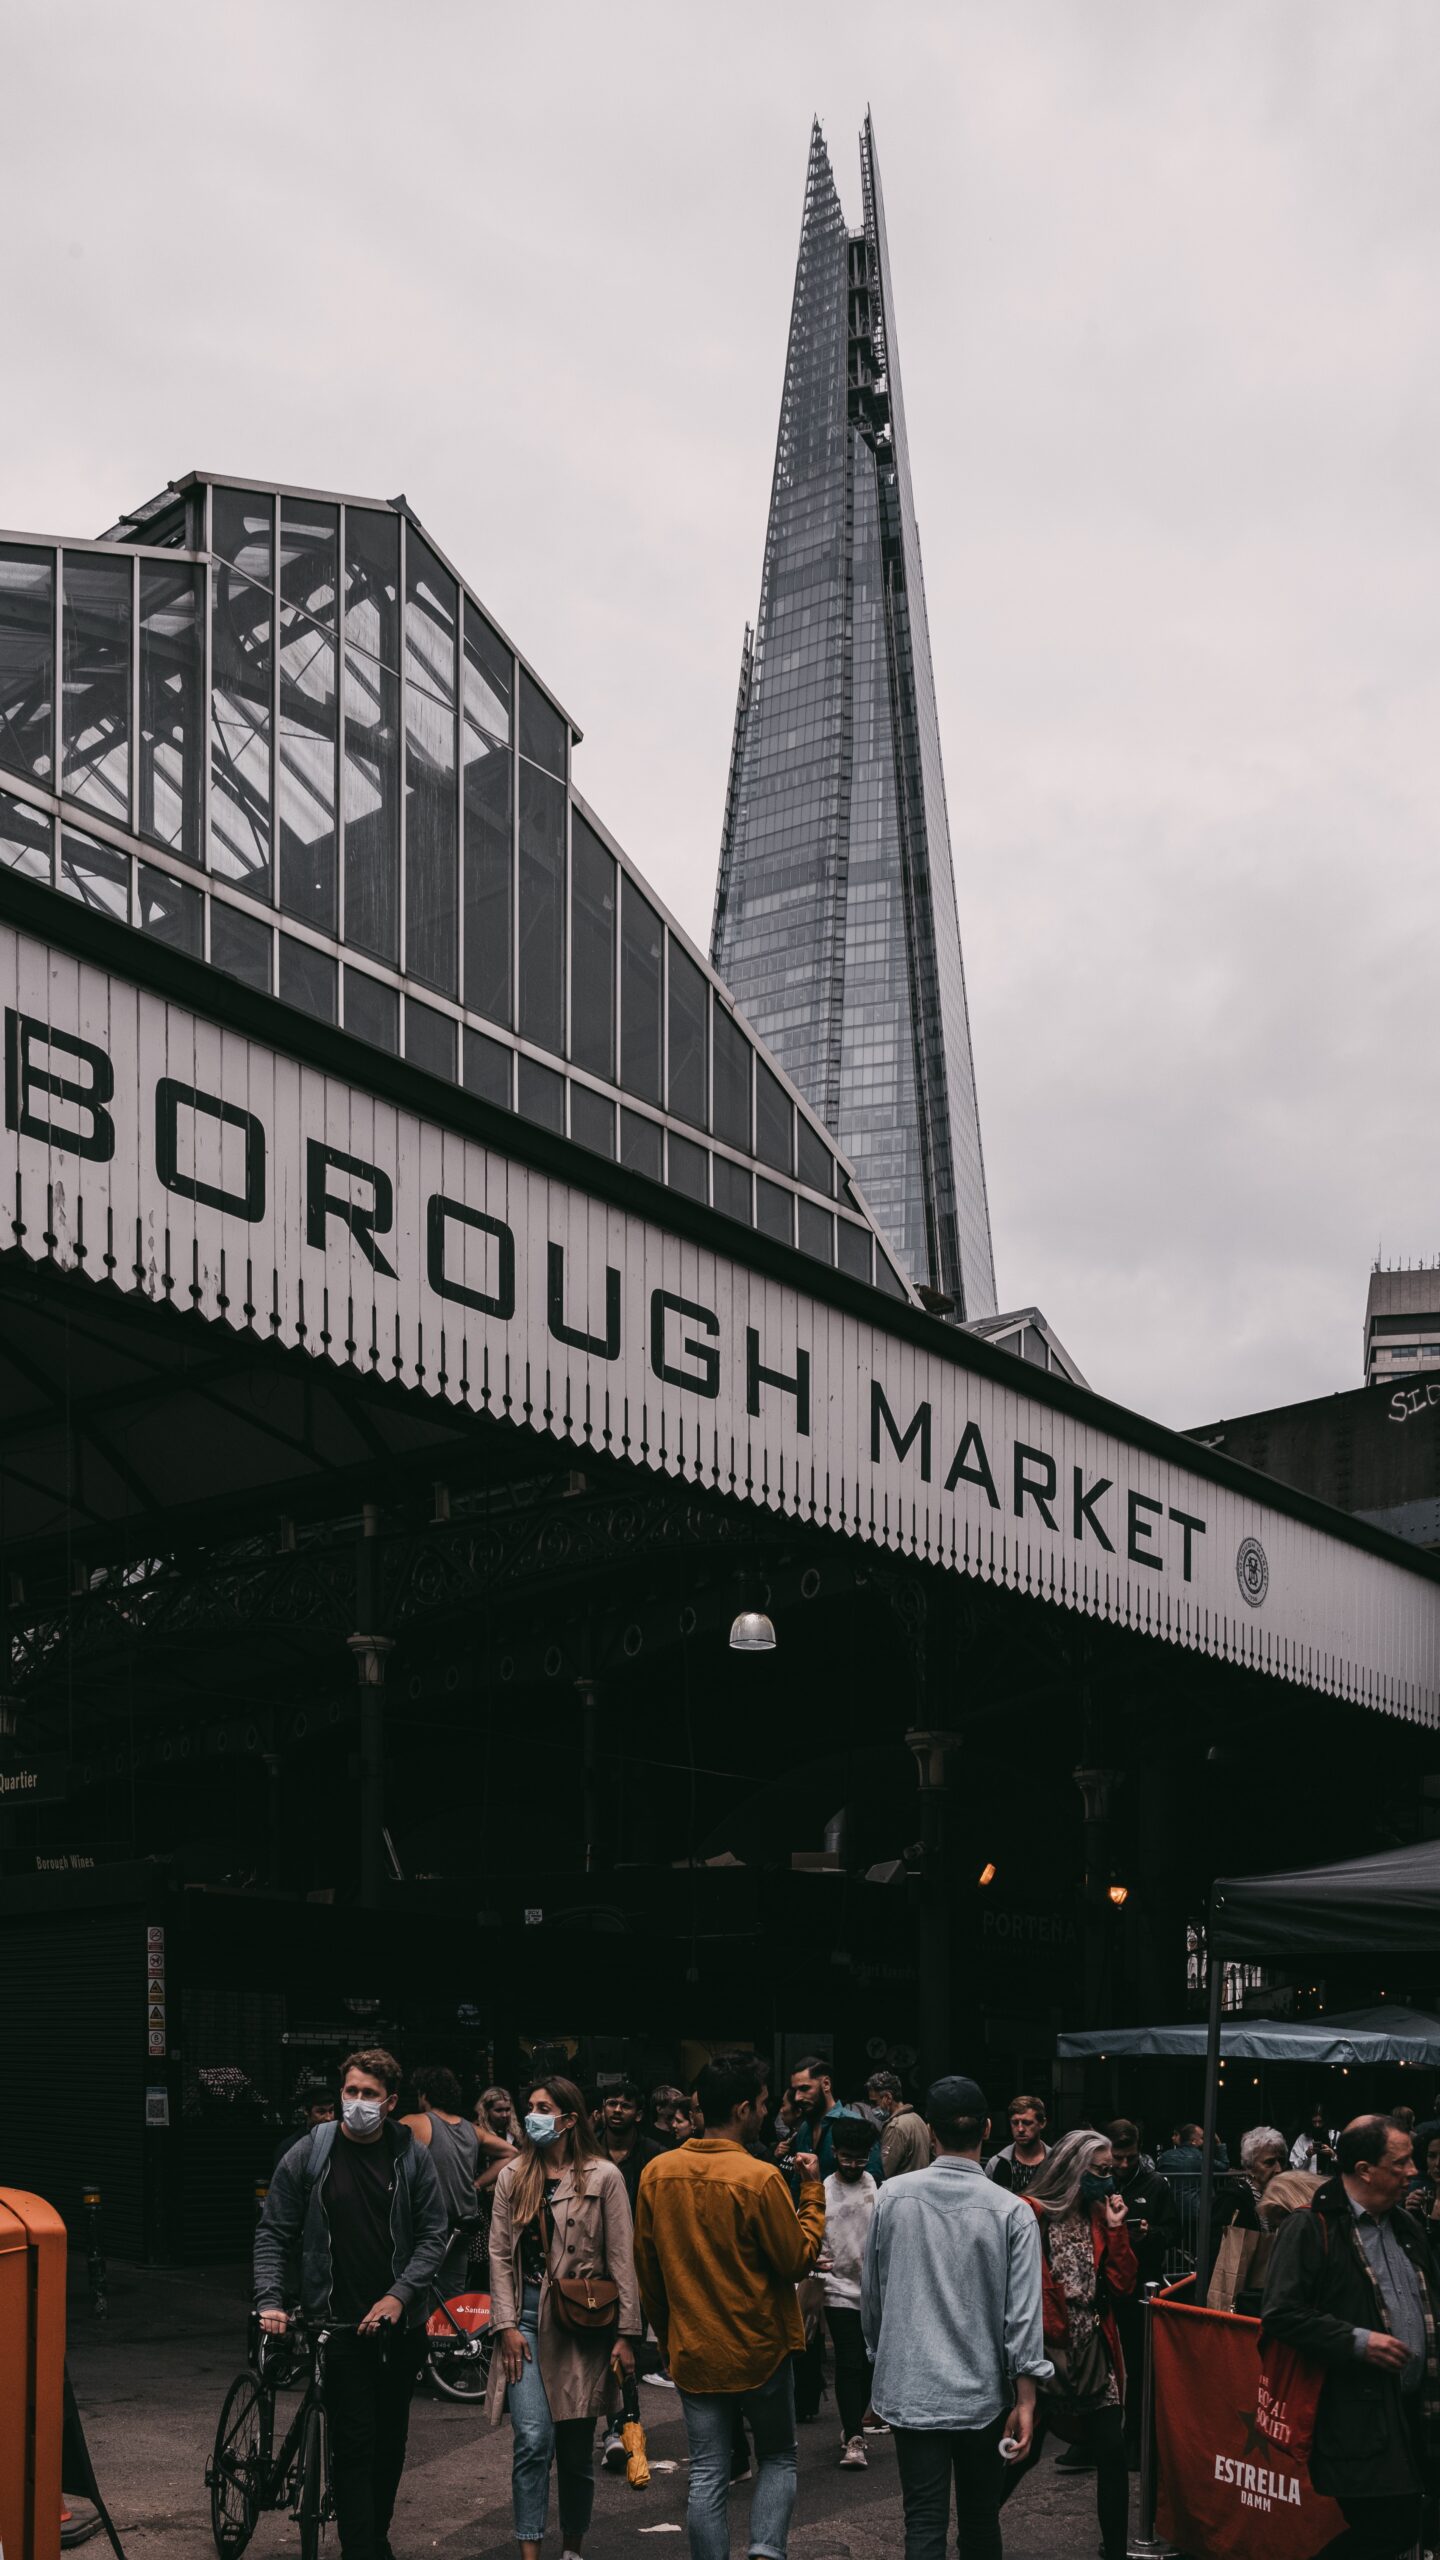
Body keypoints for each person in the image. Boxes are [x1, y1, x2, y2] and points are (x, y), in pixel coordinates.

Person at [255, 2048, 447, 2560]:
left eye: (369, 2094)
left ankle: (373, 2538)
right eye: (351, 2091)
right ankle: (363, 2550)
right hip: (334, 2325)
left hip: (398, 2328)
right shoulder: (309, 2153)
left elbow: (433, 2236)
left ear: (390, 2103)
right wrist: (271, 2299)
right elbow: (273, 2232)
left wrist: (398, 2297)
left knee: (390, 2444)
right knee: (356, 2441)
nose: (357, 2102)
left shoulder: (411, 2156)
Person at [633, 2050, 824, 2560]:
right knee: (779, 2456)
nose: (766, 2111)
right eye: (762, 2103)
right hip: (760, 2346)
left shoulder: (657, 2173)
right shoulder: (759, 2178)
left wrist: (666, 2337)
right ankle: (764, 2550)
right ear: (742, 2109)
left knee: (709, 2472)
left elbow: (648, 2271)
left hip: (694, 2346)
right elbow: (796, 2260)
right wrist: (811, 2192)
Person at [861, 2072, 1049, 2560]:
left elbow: (872, 2295)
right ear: (988, 2129)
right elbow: (1024, 2315)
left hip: (912, 2386)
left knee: (922, 2520)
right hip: (983, 2392)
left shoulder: (890, 2197)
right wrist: (1026, 2398)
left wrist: (881, 2360)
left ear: (929, 2131)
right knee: (981, 2519)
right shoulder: (1012, 2211)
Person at [1262, 2113, 1440, 2560]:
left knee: (1417, 2525)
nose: (1413, 2171)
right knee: (1389, 2531)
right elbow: (1281, 2313)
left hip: (1415, 2412)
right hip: (1356, 2418)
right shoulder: (1309, 2227)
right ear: (1364, 2169)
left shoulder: (1405, 2225)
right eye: (1401, 2162)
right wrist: (1360, 2340)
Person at [486, 2076, 640, 2560]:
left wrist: (627, 2334)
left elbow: (623, 2257)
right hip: (526, 2323)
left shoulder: (604, 2176)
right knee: (533, 2439)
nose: (532, 2115)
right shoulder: (515, 2175)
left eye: (543, 2107)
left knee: (575, 2449)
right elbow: (498, 2255)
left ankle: (572, 2546)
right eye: (529, 2106)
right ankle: (530, 2551)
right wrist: (506, 2326)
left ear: (569, 2119)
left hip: (583, 2326)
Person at [999, 2127, 1138, 2560]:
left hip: (1093, 2347)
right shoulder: (1030, 2212)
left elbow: (1122, 2284)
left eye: (1111, 2170)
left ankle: (1114, 2549)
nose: (1109, 2180)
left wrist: (1117, 2231)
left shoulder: (1100, 2215)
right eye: (1099, 2170)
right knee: (1026, 2450)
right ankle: (977, 2527)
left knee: (1112, 2452)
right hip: (1043, 2351)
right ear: (1073, 2168)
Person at [1105, 2119, 1177, 2467]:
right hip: (1104, 2283)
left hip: (1141, 2282)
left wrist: (1150, 2233)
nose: (1123, 2165)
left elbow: (1173, 2231)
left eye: (1129, 2158)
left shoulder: (1156, 2182)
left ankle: (1135, 2437)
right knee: (1102, 2363)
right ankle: (1094, 2438)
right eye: (1118, 2157)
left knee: (1138, 2363)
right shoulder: (1096, 2181)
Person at [819, 2114, 881, 2471]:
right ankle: (855, 2437)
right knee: (849, 2361)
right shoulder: (824, 2190)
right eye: (847, 2158)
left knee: (870, 2361)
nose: (855, 2165)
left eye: (861, 2158)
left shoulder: (878, 2189)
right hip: (837, 2288)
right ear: (834, 2152)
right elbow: (810, 2232)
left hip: (873, 2289)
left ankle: (855, 2421)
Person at [400, 2064, 482, 2298]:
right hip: (462, 2223)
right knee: (453, 2295)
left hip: (429, 2224)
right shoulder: (470, 2128)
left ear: (424, 2094)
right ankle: (449, 2335)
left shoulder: (417, 2122)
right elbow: (510, 2153)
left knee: (417, 2289)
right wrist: (477, 2183)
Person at [781, 2056, 881, 2180]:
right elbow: (799, 2179)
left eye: (804, 2088)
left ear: (826, 2084)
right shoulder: (804, 2129)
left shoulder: (855, 2124)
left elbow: (873, 2179)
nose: (797, 2097)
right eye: (795, 2090)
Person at [865, 2071, 936, 2180]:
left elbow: (883, 2171)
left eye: (875, 2102)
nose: (872, 2108)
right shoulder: (917, 2119)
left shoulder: (895, 2127)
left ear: (888, 2097)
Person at [984, 2094, 1049, 2195]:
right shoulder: (996, 2164)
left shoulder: (1056, 2162)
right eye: (1015, 2123)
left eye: (1027, 2123)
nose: (1020, 2129)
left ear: (1042, 2123)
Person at [273, 2092, 334, 2167]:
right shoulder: (289, 2147)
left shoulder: (338, 2141)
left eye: (331, 2111)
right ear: (306, 2111)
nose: (328, 2117)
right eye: (321, 2112)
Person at [1290, 2101, 1337, 2175]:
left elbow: (1346, 2164)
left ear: (1325, 2120)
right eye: (1314, 2122)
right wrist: (1306, 2155)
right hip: (1310, 2184)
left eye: (1320, 2121)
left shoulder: (1335, 2136)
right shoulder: (1302, 2139)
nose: (1317, 2125)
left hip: (1331, 2183)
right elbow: (1294, 2167)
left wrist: (1333, 2155)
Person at [649, 2084, 693, 2148]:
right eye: (674, 2104)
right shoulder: (650, 2138)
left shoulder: (683, 2133)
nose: (679, 2107)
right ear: (660, 2109)